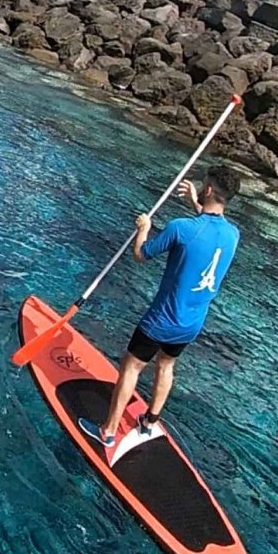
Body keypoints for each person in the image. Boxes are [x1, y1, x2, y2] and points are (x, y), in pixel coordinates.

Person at [77, 168, 243, 449]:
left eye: (205, 185)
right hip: (192, 323)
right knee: (166, 365)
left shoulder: (180, 228)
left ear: (211, 190)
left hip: (161, 319)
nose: (202, 187)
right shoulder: (233, 235)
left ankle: (108, 431)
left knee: (131, 367)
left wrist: (144, 229)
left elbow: (142, 254)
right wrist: (196, 203)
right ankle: (149, 422)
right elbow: (207, 229)